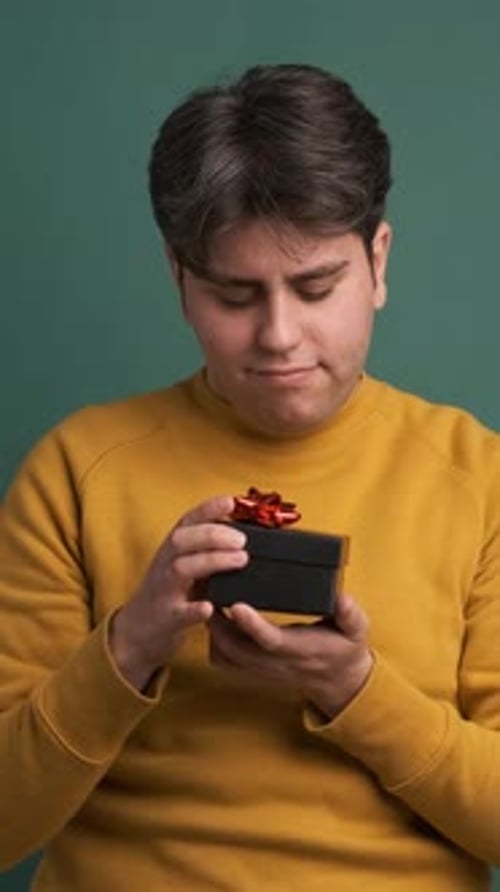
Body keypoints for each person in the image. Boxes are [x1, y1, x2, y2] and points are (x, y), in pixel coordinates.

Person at [0, 63, 499, 892]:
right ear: (178, 277)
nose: (278, 336)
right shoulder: (78, 469)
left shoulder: (477, 480)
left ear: (377, 262)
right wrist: (131, 646)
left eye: (316, 288)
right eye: (235, 295)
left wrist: (355, 689)